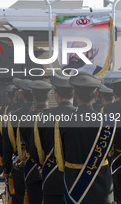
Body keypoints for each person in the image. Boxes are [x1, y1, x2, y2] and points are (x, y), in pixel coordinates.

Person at [54, 73, 115, 204]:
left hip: (74, 184)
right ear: (96, 95)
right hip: (102, 183)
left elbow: (60, 160)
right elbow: (111, 153)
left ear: (75, 95)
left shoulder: (63, 122)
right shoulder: (109, 121)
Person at [30, 76, 76, 204]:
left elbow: (36, 150)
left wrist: (43, 164)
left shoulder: (43, 117)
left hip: (52, 178)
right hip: (77, 179)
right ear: (74, 94)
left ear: (56, 95)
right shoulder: (81, 117)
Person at [102, 78, 121, 204]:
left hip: (115, 158)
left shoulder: (107, 110)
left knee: (117, 194)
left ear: (114, 92)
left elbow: (104, 135)